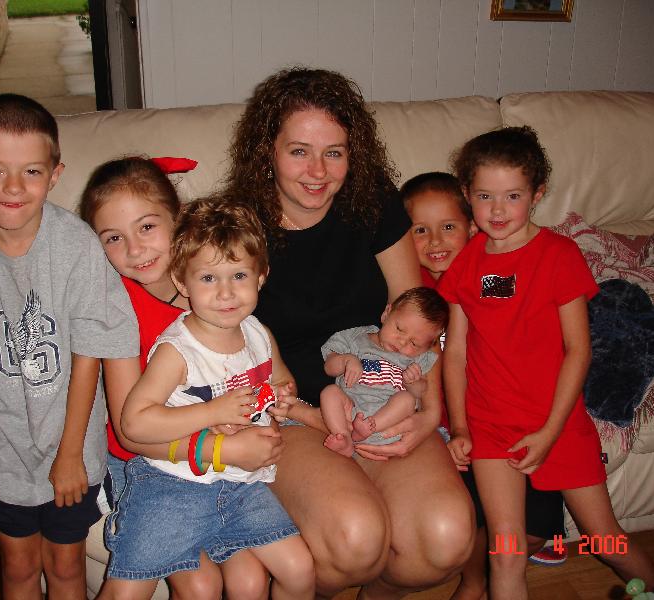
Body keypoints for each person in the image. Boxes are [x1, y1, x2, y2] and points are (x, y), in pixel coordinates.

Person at [221, 66, 475, 598]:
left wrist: (429, 414)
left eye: (333, 152)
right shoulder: (237, 226)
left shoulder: (372, 202)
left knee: (446, 540)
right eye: (299, 151)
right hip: (291, 412)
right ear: (267, 151)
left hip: (384, 396)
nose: (318, 171)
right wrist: (302, 414)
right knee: (356, 540)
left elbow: (421, 322)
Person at [0, 94, 139, 598]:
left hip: (71, 449)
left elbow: (89, 353)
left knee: (65, 567)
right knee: (17, 567)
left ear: (54, 175)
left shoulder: (78, 246)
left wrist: (70, 455)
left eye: (31, 172)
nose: (14, 188)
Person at [439, 126, 654, 599]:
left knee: (605, 539)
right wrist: (459, 426)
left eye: (513, 196)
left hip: (556, 424)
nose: (498, 210)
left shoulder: (558, 256)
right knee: (506, 550)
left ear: (537, 194)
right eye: (484, 196)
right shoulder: (466, 264)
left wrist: (549, 431)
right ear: (467, 194)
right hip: (490, 426)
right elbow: (454, 351)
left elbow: (579, 349)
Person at [80, 156, 276, 600]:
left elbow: (256, 373)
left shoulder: (218, 290)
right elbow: (130, 435)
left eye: (148, 227)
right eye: (114, 238)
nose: (135, 250)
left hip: (216, 467)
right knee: (201, 585)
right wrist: (222, 449)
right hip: (144, 463)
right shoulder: (117, 311)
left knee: (248, 579)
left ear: (179, 220)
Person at [103, 197, 316, 600]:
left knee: (300, 569)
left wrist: (281, 398)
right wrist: (213, 411)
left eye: (239, 275)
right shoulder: (176, 351)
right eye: (207, 278)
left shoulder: (258, 333)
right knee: (126, 592)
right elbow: (135, 423)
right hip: (172, 483)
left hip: (242, 486)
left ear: (261, 276)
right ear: (182, 283)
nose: (225, 293)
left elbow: (280, 380)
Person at [401, 171, 567, 600]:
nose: (435, 241)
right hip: (448, 426)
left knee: (535, 528)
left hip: (507, 414)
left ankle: (507, 564)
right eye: (420, 230)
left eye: (448, 227)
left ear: (472, 226)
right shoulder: (408, 291)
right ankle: (475, 581)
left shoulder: (492, 274)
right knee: (470, 514)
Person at [320, 287, 446, 457]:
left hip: (387, 422)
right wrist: (346, 360)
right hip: (348, 411)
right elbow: (329, 367)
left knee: (407, 399)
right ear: (386, 313)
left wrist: (413, 382)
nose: (402, 342)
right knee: (329, 392)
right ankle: (343, 438)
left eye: (414, 344)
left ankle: (367, 429)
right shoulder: (357, 337)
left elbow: (420, 392)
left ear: (426, 348)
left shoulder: (416, 360)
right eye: (399, 329)